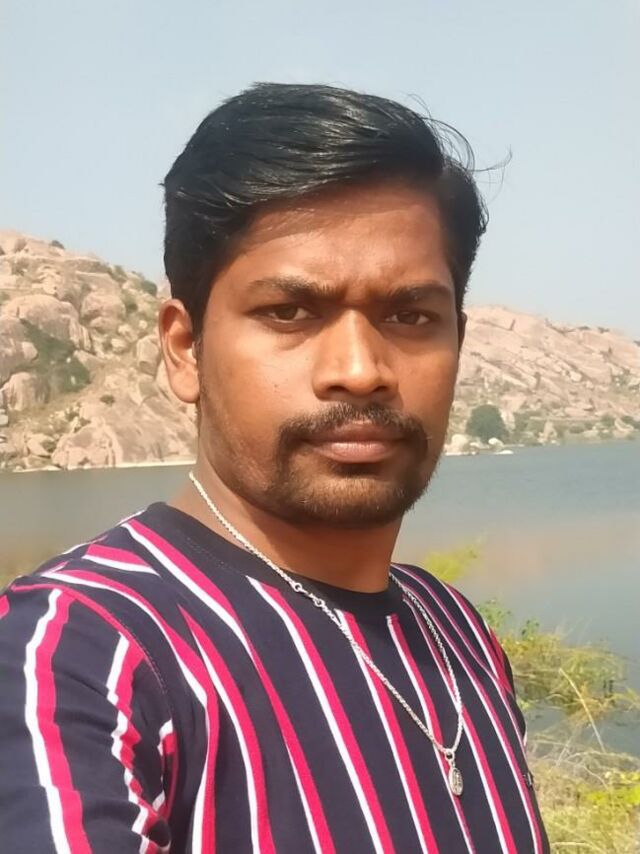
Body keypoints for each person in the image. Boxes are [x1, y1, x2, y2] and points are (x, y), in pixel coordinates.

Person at [0, 83, 548, 853]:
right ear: (184, 350)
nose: (360, 370)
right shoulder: (77, 655)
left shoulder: (455, 631)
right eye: (290, 313)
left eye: (410, 316)